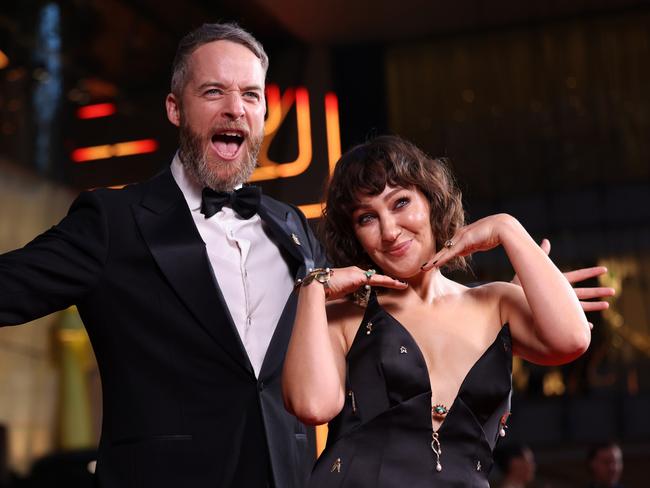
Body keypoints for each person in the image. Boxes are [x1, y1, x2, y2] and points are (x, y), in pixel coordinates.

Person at [0, 23, 325, 488]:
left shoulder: (292, 226)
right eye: (214, 91)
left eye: (251, 95)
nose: (235, 108)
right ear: (175, 108)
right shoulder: (113, 220)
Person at [282, 135, 611, 487]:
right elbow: (312, 406)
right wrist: (313, 287)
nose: (390, 231)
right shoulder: (345, 315)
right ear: (354, 235)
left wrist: (506, 227)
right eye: (367, 218)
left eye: (401, 202)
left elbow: (572, 340)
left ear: (432, 199)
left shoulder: (495, 303)